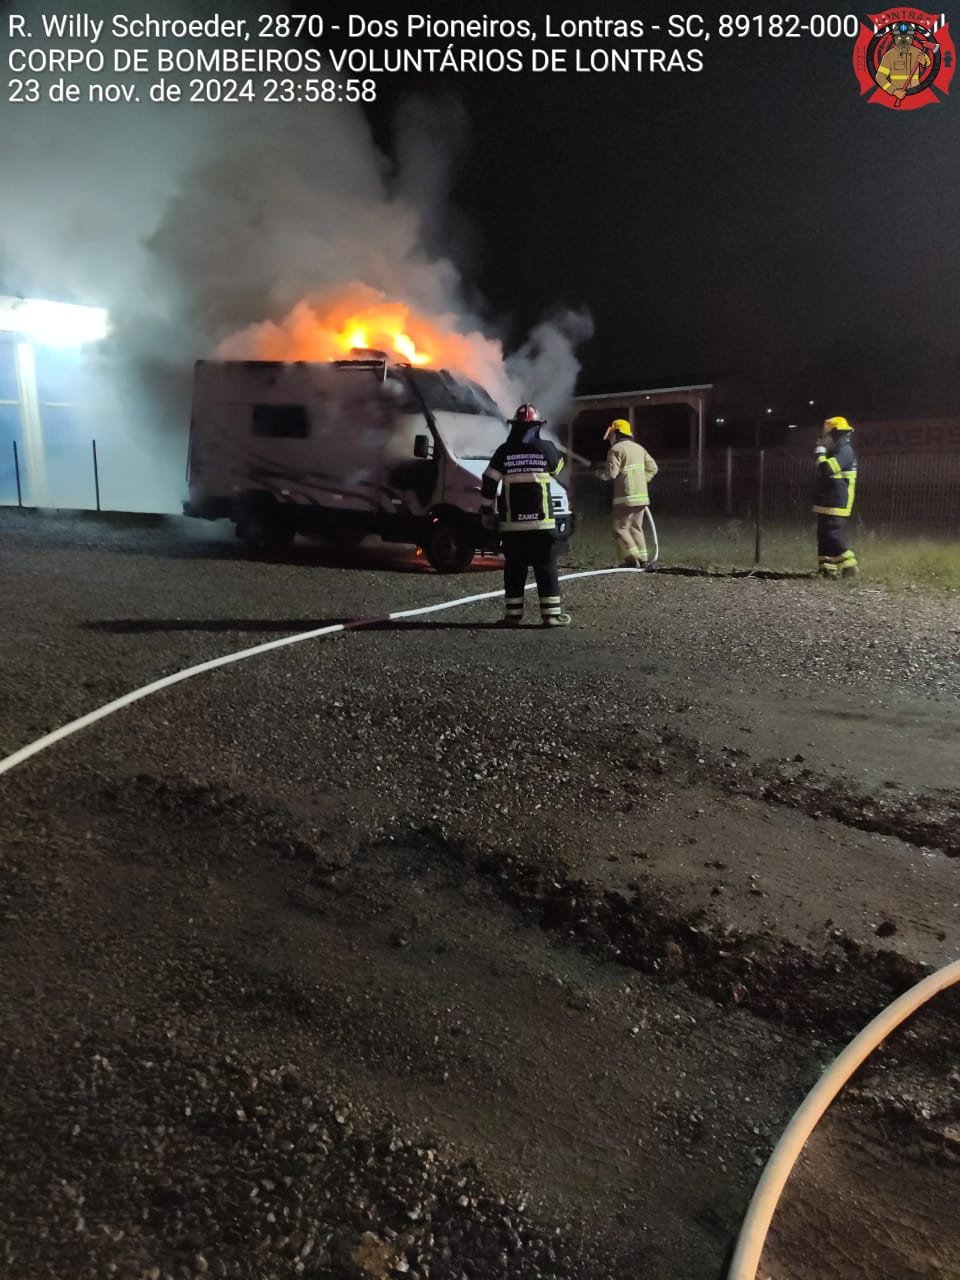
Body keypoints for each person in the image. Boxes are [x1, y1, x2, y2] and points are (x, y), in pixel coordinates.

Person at [480, 404, 571, 627]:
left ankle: (513, 616)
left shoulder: (504, 451)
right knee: (545, 567)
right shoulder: (546, 447)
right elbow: (558, 468)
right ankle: (551, 615)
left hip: (513, 526)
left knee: (514, 569)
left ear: (514, 427)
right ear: (537, 427)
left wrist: (487, 511)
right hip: (542, 524)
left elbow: (489, 481)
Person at [597, 418, 658, 568]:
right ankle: (643, 560)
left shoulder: (616, 450)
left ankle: (633, 558)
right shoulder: (639, 448)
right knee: (636, 528)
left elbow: (611, 474)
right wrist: (642, 480)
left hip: (625, 497)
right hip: (642, 496)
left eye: (612, 434)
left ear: (616, 433)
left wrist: (598, 474)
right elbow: (653, 468)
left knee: (620, 528)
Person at [814, 416, 858, 578]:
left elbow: (826, 469)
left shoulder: (845, 451)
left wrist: (820, 452)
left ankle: (849, 564)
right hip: (826, 501)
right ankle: (827, 567)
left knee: (833, 534)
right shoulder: (834, 451)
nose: (822, 439)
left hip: (838, 502)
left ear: (835, 434)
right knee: (823, 535)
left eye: (825, 435)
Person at [875, 21, 932, 103]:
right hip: (899, 96)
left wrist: (924, 61)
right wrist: (894, 91)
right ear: (894, 38)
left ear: (912, 38)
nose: (903, 41)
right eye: (899, 38)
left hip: (916, 95)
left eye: (907, 38)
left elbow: (928, 62)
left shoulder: (918, 52)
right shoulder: (889, 56)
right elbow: (880, 77)